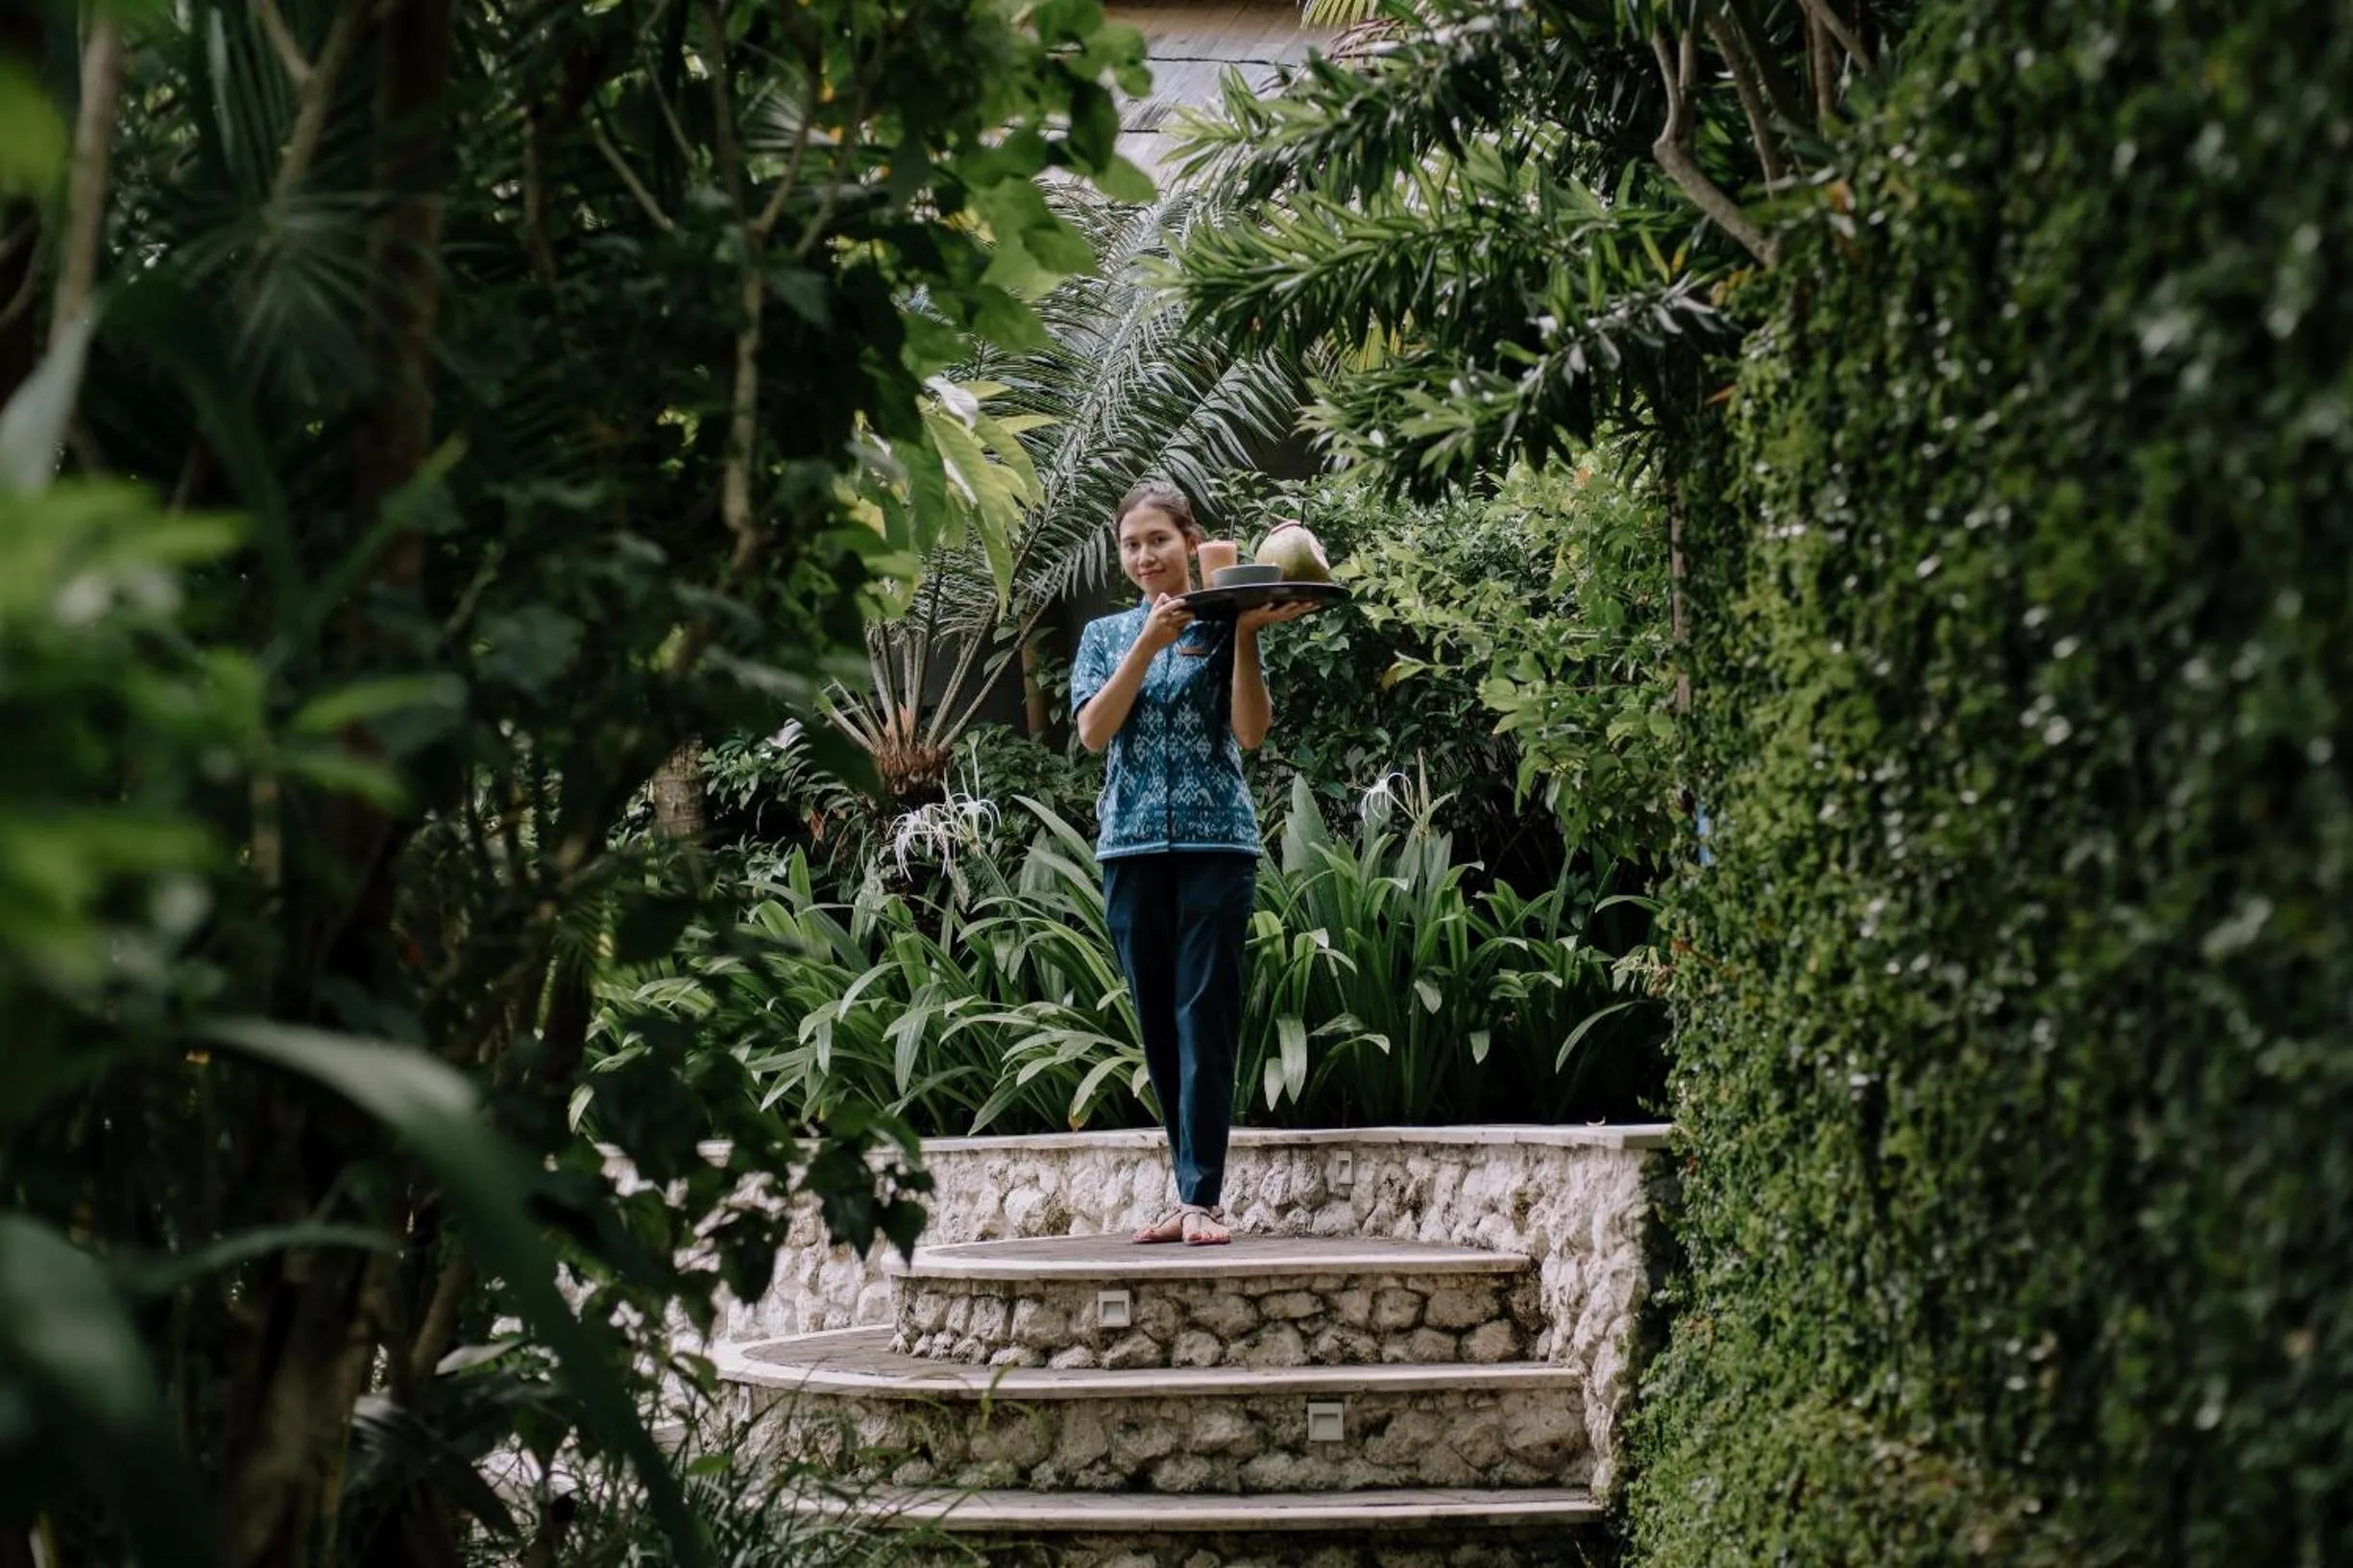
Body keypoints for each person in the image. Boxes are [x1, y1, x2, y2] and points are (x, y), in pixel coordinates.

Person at [1071, 479, 1312, 1246]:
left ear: (1189, 542)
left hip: (1217, 845)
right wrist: (1144, 645)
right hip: (1130, 847)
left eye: (1158, 541)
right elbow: (1093, 732)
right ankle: (1185, 1191)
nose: (1145, 556)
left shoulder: (1222, 623)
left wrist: (1242, 634)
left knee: (1202, 1015)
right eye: (1131, 544)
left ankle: (1201, 1197)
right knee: (1156, 1022)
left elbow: (1249, 734)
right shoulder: (1106, 637)